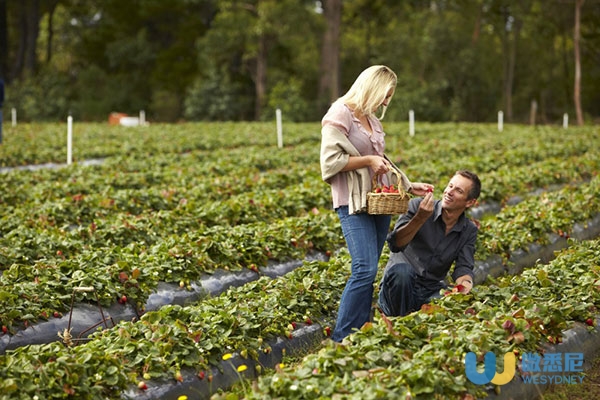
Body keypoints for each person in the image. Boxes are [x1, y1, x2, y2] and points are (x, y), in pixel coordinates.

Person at [320, 65, 433, 342]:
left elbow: (382, 161)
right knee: (364, 268)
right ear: (372, 87)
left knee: (369, 269)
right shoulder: (340, 112)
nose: (386, 102)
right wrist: (368, 161)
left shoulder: (373, 121)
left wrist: (408, 184)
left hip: (377, 202)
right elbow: (330, 163)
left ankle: (360, 331)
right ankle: (341, 337)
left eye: (389, 97)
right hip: (352, 202)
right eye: (385, 95)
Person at [377, 170, 481, 317]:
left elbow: (464, 266)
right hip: (398, 289)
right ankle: (398, 322)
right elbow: (396, 244)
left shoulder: (468, 230)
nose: (449, 192)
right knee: (403, 273)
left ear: (470, 202)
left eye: (458, 191)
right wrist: (420, 218)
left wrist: (465, 285)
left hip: (429, 291)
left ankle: (419, 326)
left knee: (450, 308)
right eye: (450, 186)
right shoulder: (416, 206)